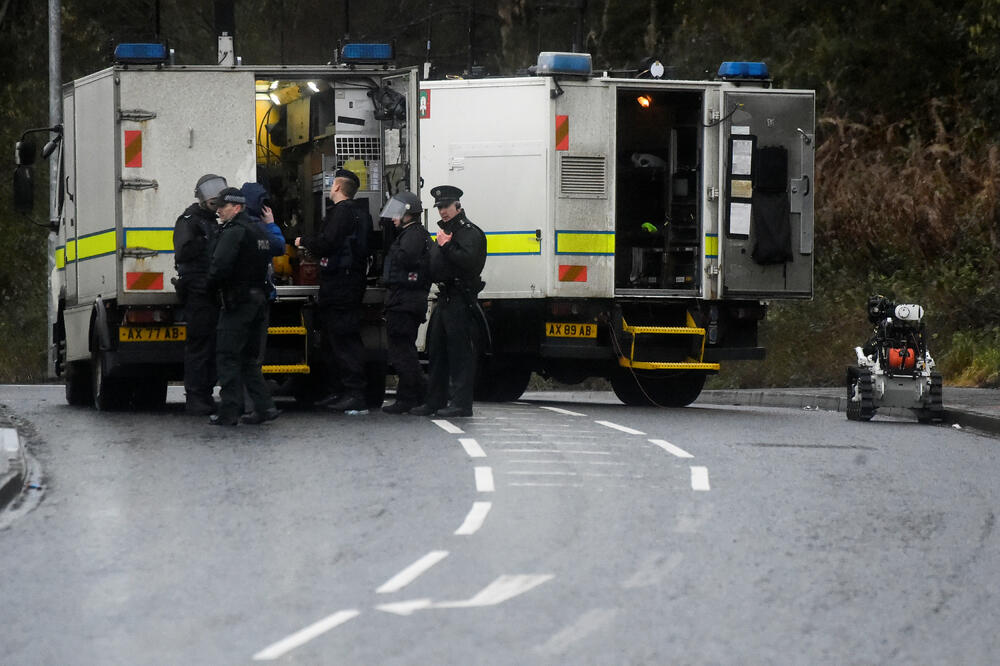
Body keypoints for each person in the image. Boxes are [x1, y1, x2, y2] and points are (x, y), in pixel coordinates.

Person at [294, 169, 371, 414]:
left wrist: (302, 241)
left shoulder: (341, 214)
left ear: (338, 187)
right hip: (347, 282)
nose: (329, 188)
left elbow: (327, 243)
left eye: (331, 184)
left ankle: (353, 393)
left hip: (341, 284)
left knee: (344, 339)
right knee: (335, 339)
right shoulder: (360, 214)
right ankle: (340, 390)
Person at [411, 185, 487, 418]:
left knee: (459, 353)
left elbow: (470, 262)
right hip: (443, 298)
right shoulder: (446, 231)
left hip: (459, 298)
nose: (443, 211)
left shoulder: (468, 232)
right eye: (440, 207)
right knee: (437, 352)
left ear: (458, 206)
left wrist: (445, 245)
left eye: (446, 207)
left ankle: (462, 404)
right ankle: (435, 401)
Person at [207, 187, 281, 426]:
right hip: (258, 300)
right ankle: (264, 407)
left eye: (223, 206)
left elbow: (219, 267)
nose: (218, 210)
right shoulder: (257, 231)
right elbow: (272, 250)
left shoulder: (234, 232)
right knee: (249, 360)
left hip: (237, 302)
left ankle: (229, 411)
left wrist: (208, 287)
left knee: (228, 356)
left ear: (237, 207)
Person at [173, 173, 227, 415]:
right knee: (199, 346)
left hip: (211, 291)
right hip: (197, 291)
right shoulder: (189, 221)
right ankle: (196, 396)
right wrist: (208, 242)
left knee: (212, 345)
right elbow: (183, 252)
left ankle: (204, 393)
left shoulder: (211, 221)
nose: (216, 205)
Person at [379, 191, 432, 414]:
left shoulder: (413, 236)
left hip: (405, 302)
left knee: (403, 353)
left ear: (408, 214)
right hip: (404, 301)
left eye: (397, 214)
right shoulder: (412, 234)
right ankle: (411, 397)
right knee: (403, 351)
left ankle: (416, 396)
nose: (393, 218)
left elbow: (406, 259)